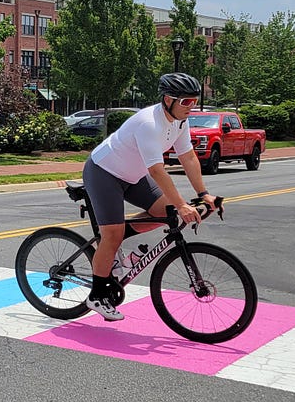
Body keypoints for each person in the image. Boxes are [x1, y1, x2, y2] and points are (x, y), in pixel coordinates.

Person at [81, 73, 217, 321]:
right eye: (186, 102)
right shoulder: (149, 124)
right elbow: (157, 170)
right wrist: (182, 203)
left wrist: (203, 194)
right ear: (168, 99)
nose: (191, 107)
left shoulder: (179, 122)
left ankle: (108, 245)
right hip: (105, 172)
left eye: (194, 101)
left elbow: (187, 157)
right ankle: (97, 295)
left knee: (167, 215)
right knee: (114, 233)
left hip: (134, 175)